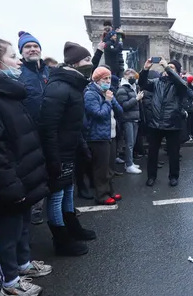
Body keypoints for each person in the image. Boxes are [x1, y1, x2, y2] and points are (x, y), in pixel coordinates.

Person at [0, 37, 52, 296]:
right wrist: (10, 184)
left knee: (21, 227)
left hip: (19, 174)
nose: (19, 61)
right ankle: (10, 284)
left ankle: (23, 265)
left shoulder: (4, 89)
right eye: (12, 56)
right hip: (5, 180)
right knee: (6, 233)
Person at [38, 42, 97, 257]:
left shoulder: (73, 85)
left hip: (69, 149)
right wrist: (53, 159)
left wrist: (81, 147)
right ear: (74, 63)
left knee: (68, 190)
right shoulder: (59, 87)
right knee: (56, 195)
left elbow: (74, 124)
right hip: (58, 152)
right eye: (87, 60)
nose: (90, 64)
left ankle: (72, 227)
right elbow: (48, 127)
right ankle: (61, 240)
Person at [16, 31, 51, 225]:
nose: (32, 49)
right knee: (33, 172)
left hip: (48, 129)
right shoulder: (18, 73)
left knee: (50, 168)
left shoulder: (47, 71)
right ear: (22, 51)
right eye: (28, 47)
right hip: (28, 131)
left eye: (35, 46)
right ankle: (35, 208)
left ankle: (52, 205)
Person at [139, 58, 188, 187]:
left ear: (177, 72)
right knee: (152, 153)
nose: (168, 69)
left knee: (173, 153)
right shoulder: (156, 82)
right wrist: (145, 69)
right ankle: (151, 177)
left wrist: (167, 67)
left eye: (172, 68)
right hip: (155, 123)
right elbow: (142, 83)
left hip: (172, 123)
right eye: (167, 67)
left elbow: (183, 85)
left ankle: (173, 176)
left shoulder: (179, 84)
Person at [84, 66, 123, 205]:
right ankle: (101, 195)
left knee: (110, 166)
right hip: (97, 136)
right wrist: (107, 101)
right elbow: (98, 114)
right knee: (101, 168)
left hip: (110, 134)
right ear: (97, 80)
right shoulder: (90, 94)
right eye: (105, 78)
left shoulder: (107, 92)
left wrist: (111, 99)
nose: (108, 81)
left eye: (109, 78)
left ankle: (110, 191)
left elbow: (120, 111)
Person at [116, 69, 143, 174]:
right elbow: (123, 106)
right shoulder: (122, 89)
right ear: (126, 76)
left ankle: (129, 161)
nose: (134, 78)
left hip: (134, 118)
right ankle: (129, 165)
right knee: (129, 143)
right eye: (132, 76)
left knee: (132, 142)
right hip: (127, 119)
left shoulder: (133, 87)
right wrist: (136, 99)